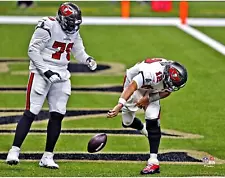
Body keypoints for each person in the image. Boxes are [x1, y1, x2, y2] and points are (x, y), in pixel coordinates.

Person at [6, 2, 97, 169]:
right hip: (41, 71)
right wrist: (46, 71)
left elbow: (78, 50)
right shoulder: (47, 25)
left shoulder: (74, 30)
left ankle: (48, 156)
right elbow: (33, 51)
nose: (73, 26)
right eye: (70, 23)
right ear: (61, 19)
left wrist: (87, 59)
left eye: (75, 23)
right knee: (31, 111)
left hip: (62, 73)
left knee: (58, 114)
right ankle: (14, 150)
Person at [107, 58, 187, 174]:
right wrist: (120, 104)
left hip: (152, 89)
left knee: (152, 117)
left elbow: (167, 91)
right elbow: (132, 86)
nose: (172, 87)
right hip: (135, 86)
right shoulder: (153, 73)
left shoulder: (173, 74)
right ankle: (142, 128)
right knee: (127, 122)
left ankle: (153, 161)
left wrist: (148, 99)